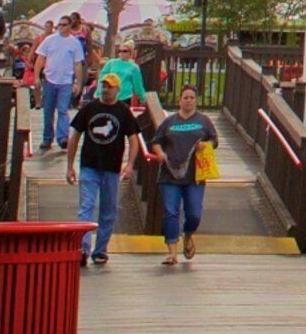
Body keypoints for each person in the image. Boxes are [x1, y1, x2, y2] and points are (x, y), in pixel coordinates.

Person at [67, 78, 140, 267]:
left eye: (110, 87)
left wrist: (130, 164)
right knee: (86, 207)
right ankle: (83, 248)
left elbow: (133, 139)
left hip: (112, 168)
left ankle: (100, 250)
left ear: (118, 90)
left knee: (109, 210)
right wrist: (69, 165)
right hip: (89, 165)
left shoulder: (123, 111)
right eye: (104, 86)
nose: (105, 90)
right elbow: (75, 135)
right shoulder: (90, 108)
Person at [150, 86, 216, 267]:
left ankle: (188, 235)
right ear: (180, 100)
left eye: (192, 97)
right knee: (171, 212)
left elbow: (214, 140)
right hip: (169, 174)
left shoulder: (203, 121)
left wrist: (205, 144)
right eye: (185, 97)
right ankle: (172, 252)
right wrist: (160, 153)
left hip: (195, 175)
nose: (188, 100)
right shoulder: (170, 122)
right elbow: (156, 141)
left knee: (194, 213)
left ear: (196, 100)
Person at [34, 18, 89, 158]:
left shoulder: (74, 43)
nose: (61, 27)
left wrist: (78, 82)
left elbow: (78, 64)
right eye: (59, 25)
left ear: (70, 26)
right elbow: (40, 58)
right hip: (49, 80)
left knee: (63, 110)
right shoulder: (50, 40)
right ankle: (47, 138)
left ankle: (63, 138)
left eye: (64, 25)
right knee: (48, 110)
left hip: (66, 81)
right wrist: (36, 77)